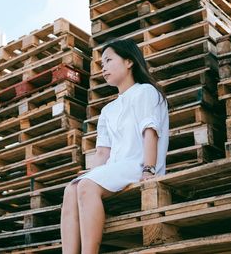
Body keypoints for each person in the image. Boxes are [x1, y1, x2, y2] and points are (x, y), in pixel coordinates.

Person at [60, 38, 169, 253]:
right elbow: (102, 153)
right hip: (116, 169)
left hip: (138, 165)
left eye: (109, 60)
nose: (104, 68)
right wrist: (90, 176)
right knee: (71, 189)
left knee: (86, 186)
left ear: (129, 62)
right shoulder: (108, 110)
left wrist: (149, 169)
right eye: (102, 64)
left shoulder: (145, 92)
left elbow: (151, 132)